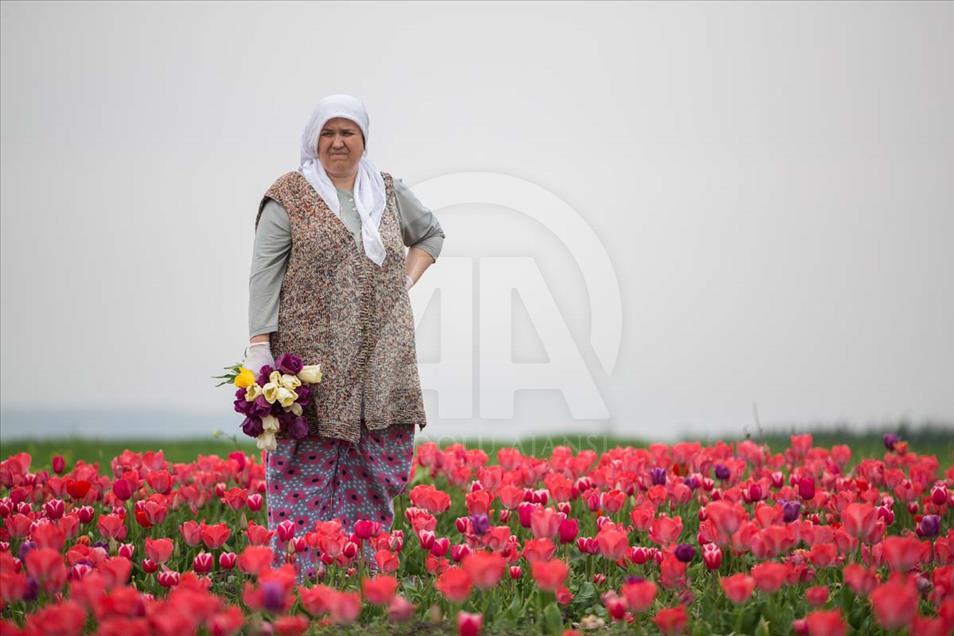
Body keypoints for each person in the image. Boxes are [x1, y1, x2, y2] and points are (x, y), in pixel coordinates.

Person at [244, 94, 445, 581]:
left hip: (382, 352)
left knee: (375, 459)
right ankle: (300, 578)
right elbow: (264, 274)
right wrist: (259, 345)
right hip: (310, 356)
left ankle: (364, 579)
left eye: (348, 132)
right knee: (305, 459)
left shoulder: (388, 192)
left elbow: (430, 235)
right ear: (314, 140)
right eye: (328, 133)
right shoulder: (289, 195)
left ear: (363, 140)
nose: (338, 142)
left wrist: (403, 281)